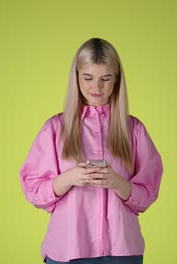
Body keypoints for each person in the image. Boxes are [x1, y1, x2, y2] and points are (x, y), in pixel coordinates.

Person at [19, 38, 163, 264]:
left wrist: (117, 182)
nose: (96, 87)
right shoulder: (55, 129)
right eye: (88, 78)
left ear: (116, 80)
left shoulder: (133, 130)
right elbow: (34, 190)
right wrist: (69, 178)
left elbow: (147, 194)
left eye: (105, 79)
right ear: (76, 77)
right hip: (68, 249)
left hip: (122, 252)